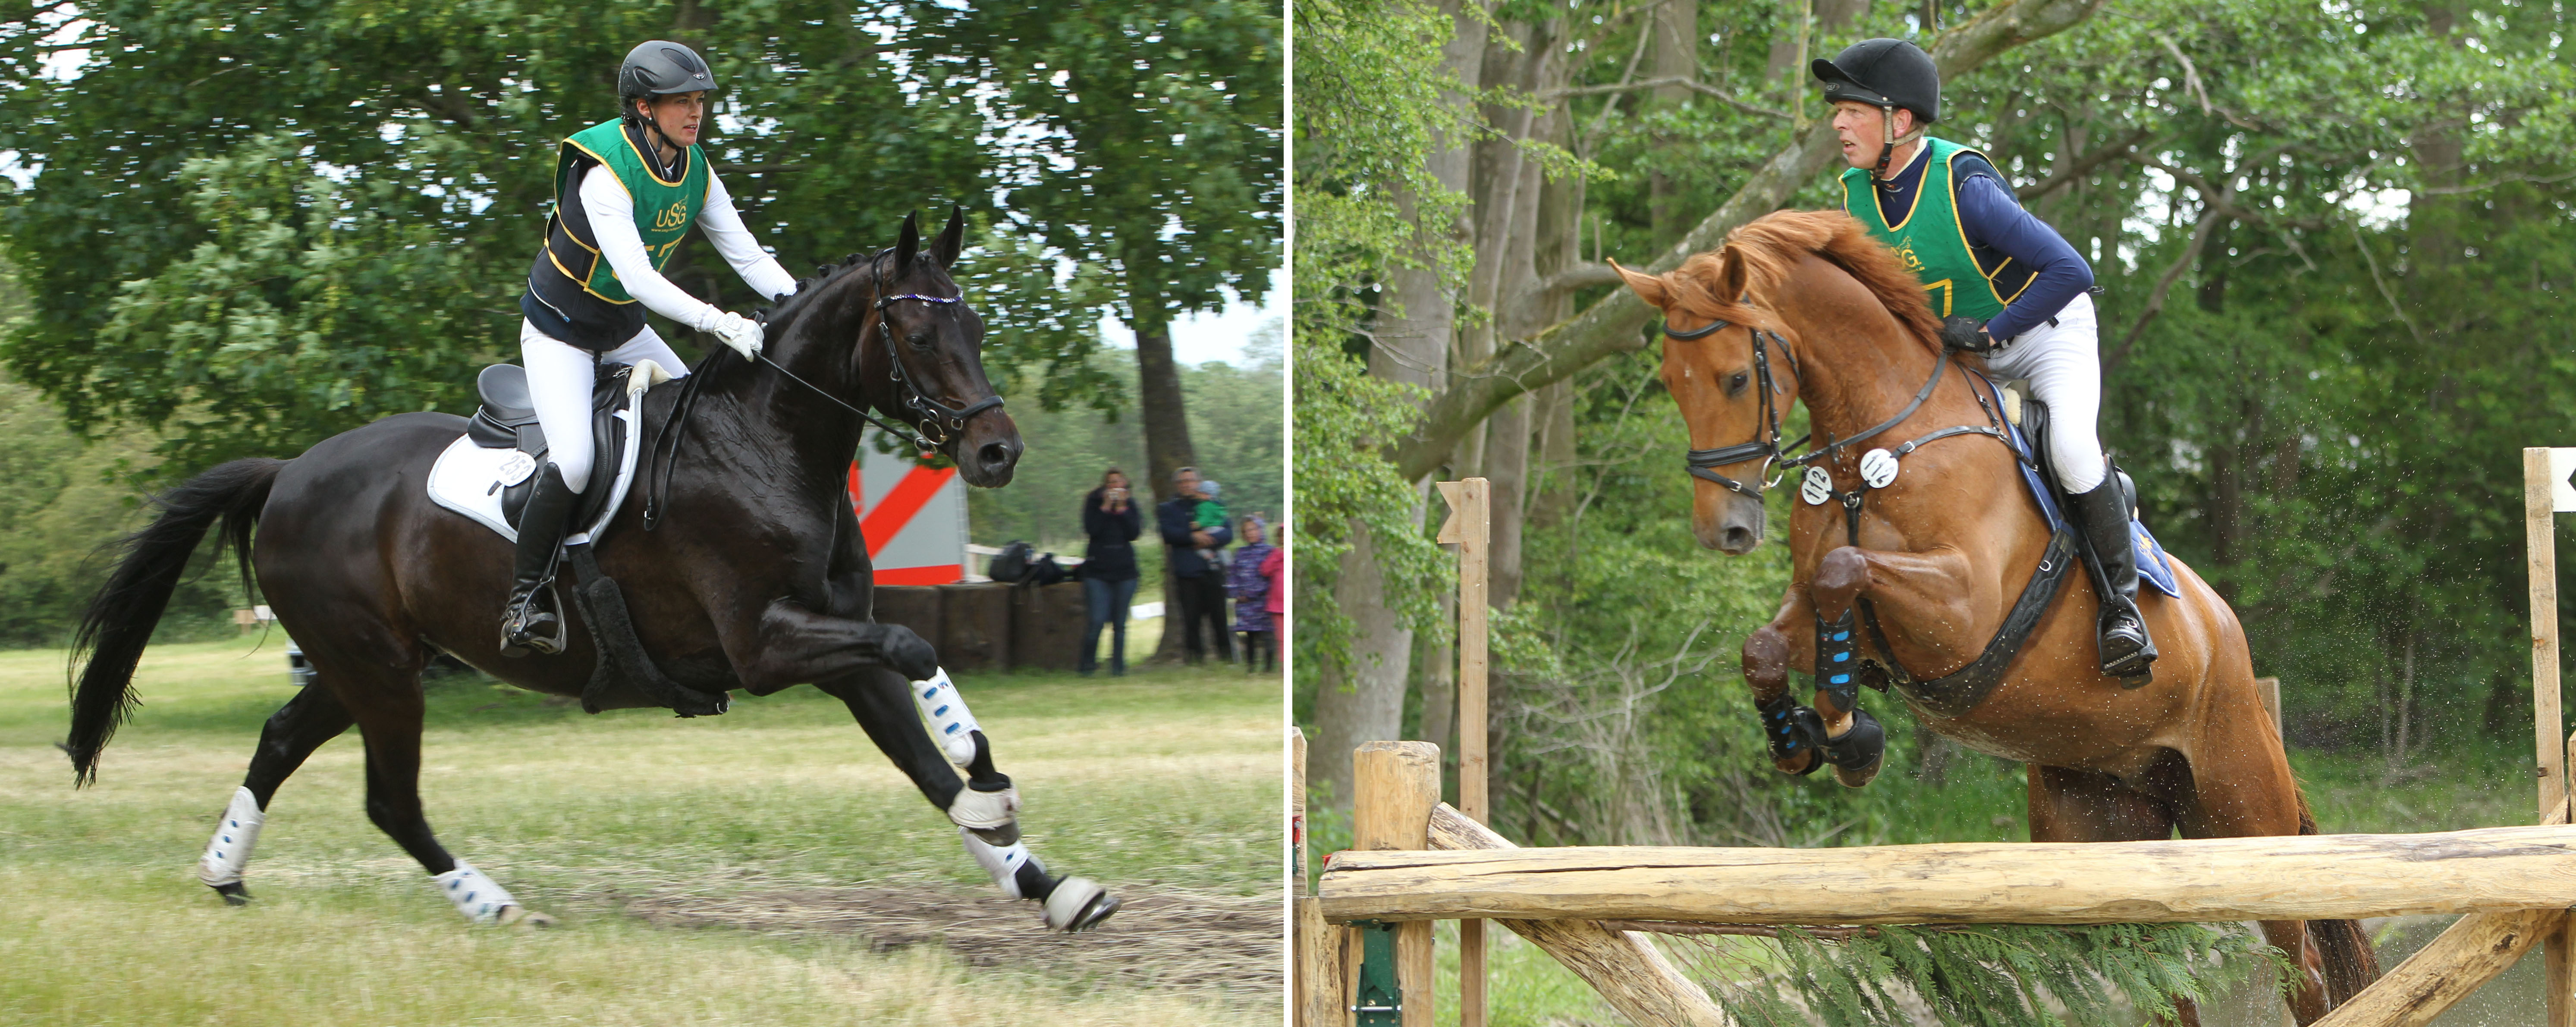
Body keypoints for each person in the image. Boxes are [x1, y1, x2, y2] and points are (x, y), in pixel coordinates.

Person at [1811, 38, 2153, 679]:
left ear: (1900, 122)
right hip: (1961, 352)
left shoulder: (1962, 184)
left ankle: (2122, 610)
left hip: (2045, 332)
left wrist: (1994, 333)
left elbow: (2071, 270)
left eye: (1853, 110)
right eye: (1838, 110)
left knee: (2072, 448)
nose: (1838, 123)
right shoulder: (1855, 200)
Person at [501, 41, 798, 658]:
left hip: (619, 329)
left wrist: (804, 303)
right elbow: (638, 278)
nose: (696, 113)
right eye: (681, 103)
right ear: (643, 107)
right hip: (559, 335)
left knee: (705, 429)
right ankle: (524, 599)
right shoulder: (606, 174)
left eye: (700, 101)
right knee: (577, 461)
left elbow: (747, 255)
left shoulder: (696, 170)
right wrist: (720, 323)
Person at [1157, 467, 1234, 664]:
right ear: (1177, 485)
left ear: (1198, 483)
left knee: (1219, 616)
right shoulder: (1169, 509)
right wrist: (1192, 537)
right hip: (1187, 571)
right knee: (1191, 618)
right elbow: (1169, 534)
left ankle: (1226, 656)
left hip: (1213, 569)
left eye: (1191, 480)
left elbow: (1228, 532)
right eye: (1183, 481)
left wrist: (1208, 538)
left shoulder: (1212, 502)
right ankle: (1194, 658)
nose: (1187, 484)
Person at [1077, 468, 1143, 676]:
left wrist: (1123, 508)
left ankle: (1118, 668)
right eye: (1110, 483)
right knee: (1097, 621)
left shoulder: (1130, 504)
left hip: (1125, 571)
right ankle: (1087, 666)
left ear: (1125, 485)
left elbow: (1134, 533)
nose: (1115, 487)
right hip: (1097, 571)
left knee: (1120, 624)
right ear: (1105, 486)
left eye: (1118, 483)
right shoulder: (1094, 503)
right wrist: (1105, 507)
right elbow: (1092, 530)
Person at [1228, 514, 1275, 673]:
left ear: (1261, 530)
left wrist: (1253, 593)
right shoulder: (1240, 553)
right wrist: (1235, 593)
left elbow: (1270, 577)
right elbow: (1233, 574)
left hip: (1264, 602)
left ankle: (1268, 668)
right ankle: (1251, 667)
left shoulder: (1270, 552)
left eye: (1254, 529)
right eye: (1247, 531)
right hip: (1245, 603)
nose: (1251, 533)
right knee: (1250, 635)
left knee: (1267, 635)